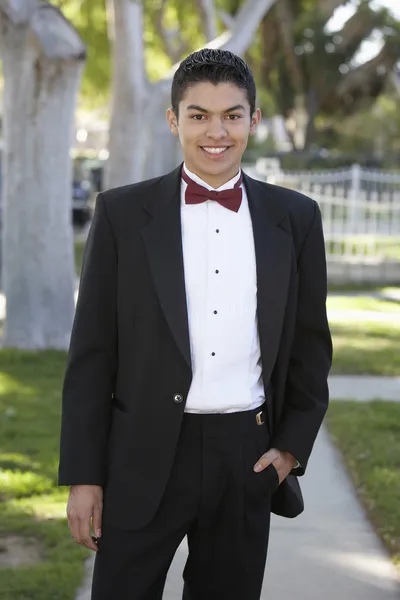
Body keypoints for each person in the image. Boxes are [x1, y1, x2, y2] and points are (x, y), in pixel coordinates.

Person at [58, 49, 332, 600]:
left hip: (246, 456)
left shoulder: (295, 218)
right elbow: (92, 355)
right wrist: (84, 476)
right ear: (173, 120)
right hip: (141, 454)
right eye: (199, 115)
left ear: (253, 120)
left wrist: (288, 453)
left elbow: (309, 348)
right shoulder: (120, 215)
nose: (217, 132)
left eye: (232, 115)